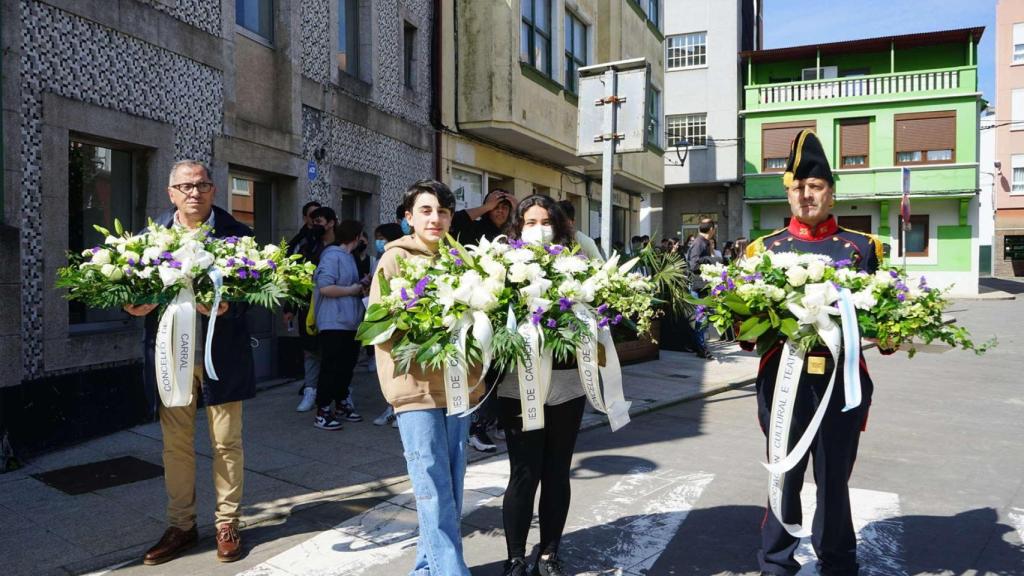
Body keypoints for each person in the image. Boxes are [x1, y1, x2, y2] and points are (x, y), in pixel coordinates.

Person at [745, 130, 884, 576]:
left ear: (831, 191)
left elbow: (881, 317)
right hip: (783, 383)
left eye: (816, 186)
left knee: (834, 480)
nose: (806, 195)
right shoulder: (764, 250)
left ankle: (838, 561)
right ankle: (776, 563)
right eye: (798, 188)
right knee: (783, 476)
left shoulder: (861, 247)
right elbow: (746, 330)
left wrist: (891, 331)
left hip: (841, 382)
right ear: (788, 192)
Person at [124, 160, 253, 565]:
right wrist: (132, 305)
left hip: (221, 359)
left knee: (226, 444)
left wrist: (225, 305)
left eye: (201, 185)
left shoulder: (238, 237)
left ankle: (227, 523)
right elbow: (129, 293)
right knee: (174, 447)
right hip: (169, 359)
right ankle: (181, 525)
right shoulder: (148, 239)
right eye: (185, 187)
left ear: (214, 190)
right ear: (171, 193)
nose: (193, 193)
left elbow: (256, 297)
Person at [369, 179, 483, 576]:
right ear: (408, 218)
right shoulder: (394, 260)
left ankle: (425, 568)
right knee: (431, 485)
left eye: (444, 212)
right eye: (426, 211)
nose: (436, 218)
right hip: (414, 389)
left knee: (450, 483)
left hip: (458, 387)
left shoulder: (463, 261)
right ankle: (452, 571)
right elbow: (380, 326)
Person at [497, 194, 587, 576]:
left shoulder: (579, 261)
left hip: (566, 386)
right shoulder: (499, 264)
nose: (538, 228)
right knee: (523, 471)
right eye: (530, 222)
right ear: (518, 227)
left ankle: (550, 552)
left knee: (556, 471)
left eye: (545, 221)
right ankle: (516, 556)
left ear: (559, 225)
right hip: (519, 386)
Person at [310, 218, 367, 430]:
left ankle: (341, 402)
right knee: (331, 367)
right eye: (362, 235)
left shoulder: (349, 256)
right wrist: (353, 289)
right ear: (355, 236)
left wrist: (361, 284)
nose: (364, 239)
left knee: (346, 367)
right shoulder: (332, 256)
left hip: (350, 322)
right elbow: (325, 287)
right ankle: (322, 410)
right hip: (333, 322)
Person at [293, 207, 338, 412]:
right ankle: (311, 389)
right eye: (313, 221)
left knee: (334, 352)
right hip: (308, 305)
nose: (315, 226)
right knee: (310, 350)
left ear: (331, 223)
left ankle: (340, 394)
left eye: (319, 221)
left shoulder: (341, 246)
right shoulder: (307, 244)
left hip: (335, 306)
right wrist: (290, 307)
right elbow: (296, 278)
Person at [369, 222, 405, 428]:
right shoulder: (384, 257)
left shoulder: (398, 256)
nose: (378, 242)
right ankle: (392, 408)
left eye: (381, 237)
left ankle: (397, 410)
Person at [686, 219, 718, 360]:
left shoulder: (703, 242)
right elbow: (693, 265)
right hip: (698, 286)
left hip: (702, 286)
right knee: (701, 318)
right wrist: (712, 261)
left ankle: (699, 346)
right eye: (714, 228)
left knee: (702, 318)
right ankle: (701, 348)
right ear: (711, 228)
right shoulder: (699, 243)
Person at [450, 188, 515, 246]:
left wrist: (518, 208)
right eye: (495, 207)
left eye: (505, 207)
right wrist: (486, 207)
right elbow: (453, 221)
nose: (500, 210)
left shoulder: (512, 233)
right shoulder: (473, 228)